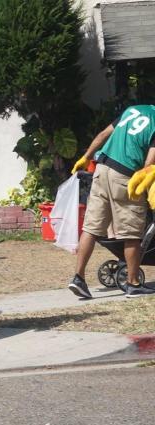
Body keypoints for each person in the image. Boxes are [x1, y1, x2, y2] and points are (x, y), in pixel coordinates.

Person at [68, 105, 155, 299]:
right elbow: (149, 163)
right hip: (125, 176)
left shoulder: (133, 110)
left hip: (101, 170)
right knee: (132, 232)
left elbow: (102, 135)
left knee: (91, 227)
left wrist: (86, 157)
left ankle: (78, 278)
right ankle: (133, 284)